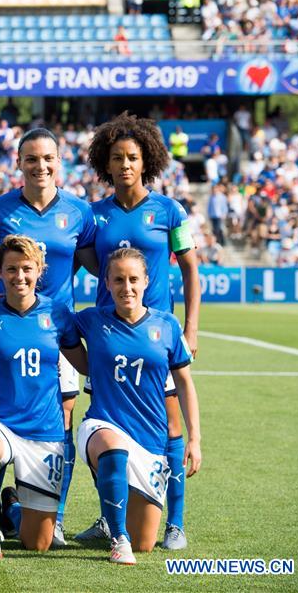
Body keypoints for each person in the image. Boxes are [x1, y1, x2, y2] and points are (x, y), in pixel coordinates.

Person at [76, 112, 200, 550]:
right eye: (117, 157)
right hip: (109, 341)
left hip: (156, 340)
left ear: (146, 160)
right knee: (109, 427)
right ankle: (109, 518)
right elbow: (79, 265)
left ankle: (175, 523)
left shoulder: (169, 210)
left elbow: (191, 270)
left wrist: (191, 329)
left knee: (170, 425)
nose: (125, 164)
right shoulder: (94, 216)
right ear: (105, 164)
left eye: (132, 157)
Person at [0, 128, 96, 546]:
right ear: (19, 162)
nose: (40, 166)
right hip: (7, 332)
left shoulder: (79, 212)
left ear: (59, 161)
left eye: (47, 158)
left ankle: (50, 517)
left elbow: (102, 267)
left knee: (62, 420)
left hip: (55, 334)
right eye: (31, 158)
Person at [0, 235, 88, 563]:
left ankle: (12, 509)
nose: (19, 276)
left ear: (39, 270)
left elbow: (83, 362)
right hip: (0, 422)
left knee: (38, 543)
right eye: (11, 269)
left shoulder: (58, 314)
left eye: (26, 269)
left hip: (44, 430)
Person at [74, 248, 201, 564]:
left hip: (149, 441)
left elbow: (184, 384)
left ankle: (16, 510)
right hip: (101, 425)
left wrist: (195, 439)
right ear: (106, 283)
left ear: (146, 281)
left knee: (145, 542)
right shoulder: (91, 319)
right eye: (118, 280)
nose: (126, 287)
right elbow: (47, 320)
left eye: (133, 279)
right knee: (113, 449)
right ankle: (118, 539)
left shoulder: (167, 325)